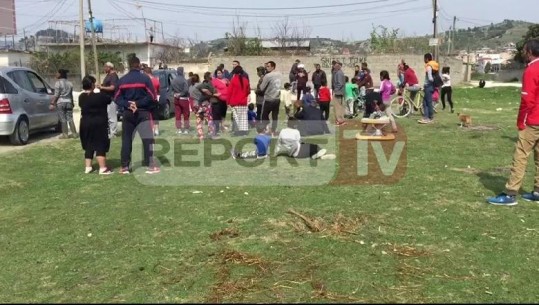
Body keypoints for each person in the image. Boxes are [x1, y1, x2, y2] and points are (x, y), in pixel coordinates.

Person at [487, 39, 539, 206]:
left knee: (521, 155)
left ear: (530, 52)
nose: (523, 52)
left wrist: (521, 122)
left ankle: (510, 193)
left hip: (533, 121)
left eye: (524, 50)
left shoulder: (531, 70)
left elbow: (527, 101)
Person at [114, 56, 160, 174]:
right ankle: (150, 166)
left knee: (127, 139)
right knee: (147, 139)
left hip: (128, 113)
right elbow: (152, 97)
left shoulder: (122, 80)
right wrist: (138, 103)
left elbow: (117, 98)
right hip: (143, 112)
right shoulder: (145, 79)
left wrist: (129, 104)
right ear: (139, 65)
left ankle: (125, 166)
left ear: (129, 65)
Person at [78, 75, 113, 175]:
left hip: (85, 123)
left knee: (88, 144)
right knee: (100, 144)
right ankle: (103, 168)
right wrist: (100, 90)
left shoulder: (81, 97)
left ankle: (88, 167)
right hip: (99, 123)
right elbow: (109, 100)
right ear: (92, 84)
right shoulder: (99, 96)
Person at [49, 69, 77, 139]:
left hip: (61, 102)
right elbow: (71, 95)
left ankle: (65, 134)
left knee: (63, 118)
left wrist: (52, 103)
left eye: (57, 73)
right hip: (69, 101)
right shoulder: (70, 83)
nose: (56, 74)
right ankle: (74, 133)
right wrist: (72, 103)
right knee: (70, 118)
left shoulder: (58, 83)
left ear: (60, 74)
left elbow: (57, 94)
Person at [96, 62, 119, 139]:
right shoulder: (108, 75)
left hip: (111, 99)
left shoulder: (113, 76)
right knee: (108, 116)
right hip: (106, 99)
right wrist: (101, 86)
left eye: (105, 67)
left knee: (112, 117)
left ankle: (113, 133)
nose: (104, 68)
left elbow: (112, 87)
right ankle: (110, 132)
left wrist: (102, 88)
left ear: (109, 67)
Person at [259, 61, 282, 136]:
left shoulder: (268, 76)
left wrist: (262, 80)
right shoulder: (279, 74)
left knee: (264, 115)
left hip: (269, 98)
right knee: (275, 116)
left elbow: (262, 88)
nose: (266, 67)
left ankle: (266, 129)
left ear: (273, 67)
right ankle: (274, 130)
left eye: (268, 66)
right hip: (277, 98)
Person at [227, 64, 251, 136]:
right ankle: (244, 132)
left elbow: (229, 92)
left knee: (236, 118)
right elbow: (248, 91)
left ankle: (237, 132)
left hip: (235, 102)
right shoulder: (246, 80)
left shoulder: (233, 80)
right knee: (243, 118)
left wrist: (228, 102)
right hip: (243, 102)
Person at [196, 72, 219, 140]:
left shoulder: (203, 83)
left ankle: (201, 136)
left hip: (200, 104)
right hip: (206, 104)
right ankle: (211, 134)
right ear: (209, 76)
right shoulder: (209, 83)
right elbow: (213, 91)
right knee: (210, 119)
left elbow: (198, 87)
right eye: (211, 75)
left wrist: (204, 90)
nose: (212, 76)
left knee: (199, 120)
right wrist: (212, 93)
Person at [418, 53, 439, 124]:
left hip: (429, 86)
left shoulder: (429, 66)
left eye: (424, 58)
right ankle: (426, 117)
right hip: (431, 87)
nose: (424, 60)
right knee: (425, 102)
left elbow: (430, 78)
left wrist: (429, 83)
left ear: (427, 59)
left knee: (428, 102)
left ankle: (429, 117)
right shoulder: (433, 66)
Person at [172, 67, 191, 134]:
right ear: (182, 72)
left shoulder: (174, 80)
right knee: (186, 114)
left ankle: (179, 129)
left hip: (176, 98)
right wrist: (180, 94)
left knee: (178, 114)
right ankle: (186, 129)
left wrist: (176, 94)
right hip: (183, 99)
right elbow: (186, 90)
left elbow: (172, 89)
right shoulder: (184, 80)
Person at [143, 66, 161, 136]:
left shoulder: (146, 81)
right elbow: (159, 90)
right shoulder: (156, 80)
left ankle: (151, 129)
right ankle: (156, 130)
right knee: (155, 115)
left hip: (147, 100)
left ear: (146, 72)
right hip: (155, 99)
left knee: (148, 115)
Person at [332, 61, 346, 126]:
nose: (334, 66)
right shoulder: (340, 72)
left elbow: (340, 84)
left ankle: (339, 121)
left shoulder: (338, 73)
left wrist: (335, 90)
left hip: (338, 92)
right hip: (340, 92)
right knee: (340, 107)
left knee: (337, 107)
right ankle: (341, 120)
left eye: (335, 66)